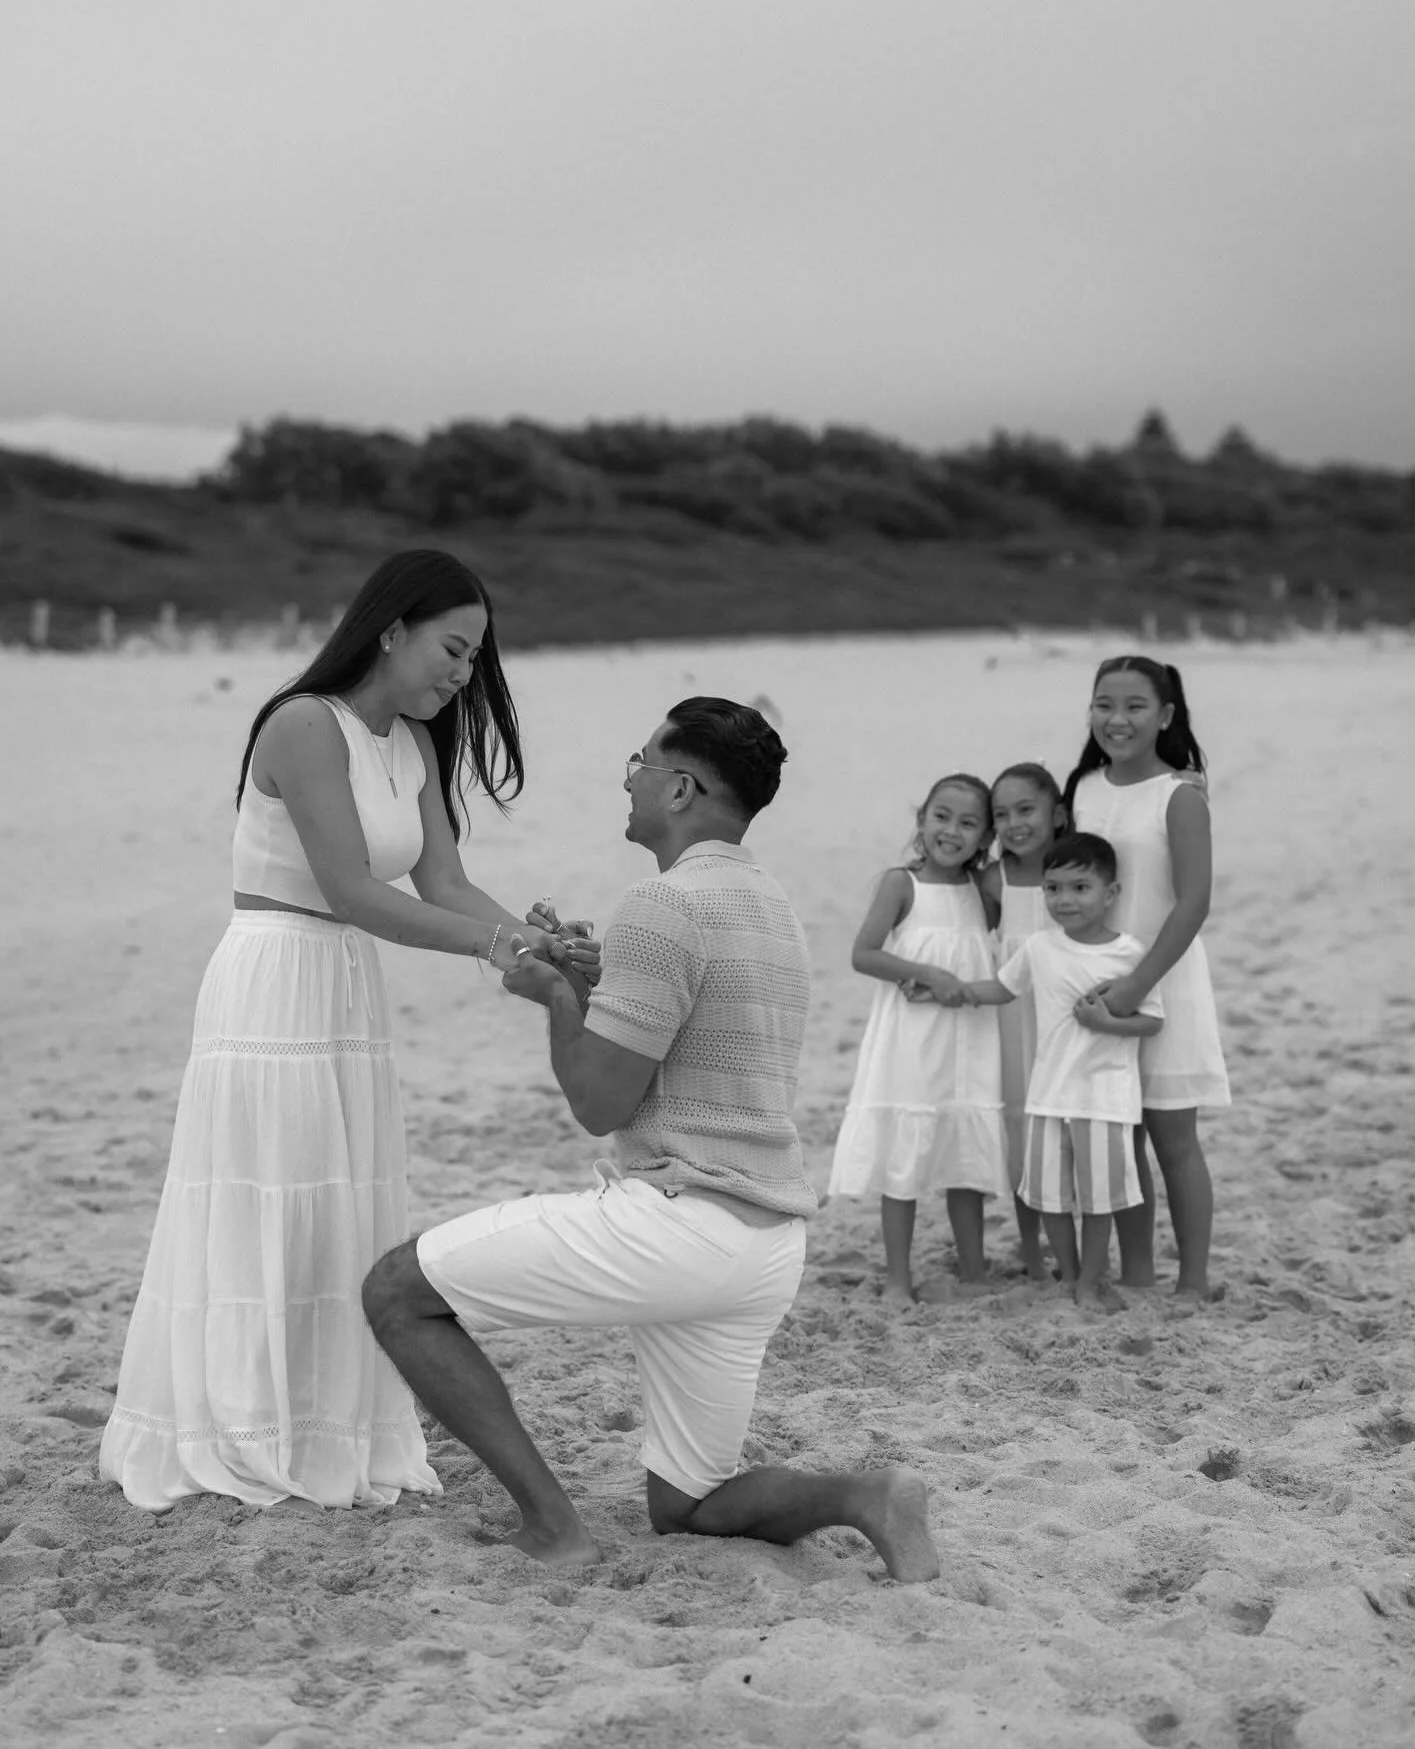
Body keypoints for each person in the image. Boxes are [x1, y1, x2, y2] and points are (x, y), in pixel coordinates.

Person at [361, 698, 940, 1583]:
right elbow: (684, 1040)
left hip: (680, 1228)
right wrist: (591, 983)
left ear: (679, 787)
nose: (627, 777)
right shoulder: (770, 903)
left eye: (639, 761)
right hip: (767, 1245)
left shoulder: (661, 904)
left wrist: (554, 1000)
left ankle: (554, 1525)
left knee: (399, 1292)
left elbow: (598, 1101)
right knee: (690, 1507)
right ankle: (866, 1496)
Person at [100, 550, 596, 1511]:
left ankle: (322, 1425)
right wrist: (497, 947)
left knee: (337, 1201)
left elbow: (443, 885)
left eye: (476, 660)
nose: (463, 675)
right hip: (274, 976)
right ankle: (241, 1426)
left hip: (343, 985)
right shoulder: (302, 724)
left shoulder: (412, 745)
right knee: (269, 1196)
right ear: (391, 629)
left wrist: (544, 944)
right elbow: (353, 891)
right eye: (453, 650)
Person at [1062, 656, 1229, 1303]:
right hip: (1100, 985)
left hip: (1166, 980)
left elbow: (1193, 902)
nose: (1116, 719)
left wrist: (1138, 985)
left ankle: (1192, 1282)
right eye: (1104, 704)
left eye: (1134, 706)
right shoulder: (1083, 790)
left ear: (1164, 716)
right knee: (1120, 1136)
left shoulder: (1180, 796)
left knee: (1173, 1138)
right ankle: (1136, 1273)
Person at [961, 832, 1163, 1308]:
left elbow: (1153, 1021)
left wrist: (1105, 1021)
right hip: (1047, 1095)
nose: (1064, 899)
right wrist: (949, 989)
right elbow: (1003, 988)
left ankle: (1092, 1279)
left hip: (1105, 1098)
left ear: (1109, 894)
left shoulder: (1129, 954)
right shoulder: (1040, 946)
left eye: (1079, 888)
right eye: (1053, 889)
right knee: (1050, 1197)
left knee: (1098, 1200)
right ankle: (1070, 1276)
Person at [827, 774, 1006, 1305]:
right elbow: (865, 953)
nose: (952, 831)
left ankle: (974, 1271)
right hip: (910, 1042)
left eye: (969, 823)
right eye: (941, 817)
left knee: (966, 1156)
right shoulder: (901, 884)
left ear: (985, 836)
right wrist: (930, 974)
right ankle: (898, 1279)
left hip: (968, 1041)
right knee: (903, 1161)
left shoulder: (984, 891)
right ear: (921, 820)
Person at [980, 763, 1068, 1282]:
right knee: (1021, 1131)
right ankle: (1032, 1249)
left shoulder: (1077, 870)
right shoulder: (997, 879)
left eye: (1026, 810)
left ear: (1057, 814)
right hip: (1015, 1025)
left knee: (1071, 1131)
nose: (1014, 823)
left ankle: (1077, 1244)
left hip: (1067, 1021)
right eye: (1002, 815)